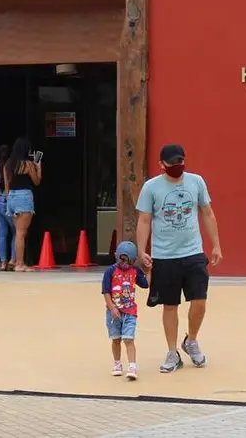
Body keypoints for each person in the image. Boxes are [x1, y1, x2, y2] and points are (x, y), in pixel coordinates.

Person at [136, 143, 223, 373]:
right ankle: (172, 352)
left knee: (200, 301)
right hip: (164, 255)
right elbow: (144, 220)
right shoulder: (151, 187)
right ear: (161, 165)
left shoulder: (196, 182)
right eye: (173, 163)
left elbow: (207, 213)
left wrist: (216, 245)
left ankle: (191, 340)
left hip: (193, 252)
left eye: (180, 161)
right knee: (170, 305)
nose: (178, 166)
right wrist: (142, 251)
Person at [101, 241, 150, 380]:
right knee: (115, 339)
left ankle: (132, 366)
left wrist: (148, 271)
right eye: (121, 260)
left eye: (127, 261)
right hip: (113, 313)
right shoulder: (110, 271)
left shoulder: (135, 271)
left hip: (130, 312)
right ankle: (117, 364)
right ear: (116, 256)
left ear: (134, 260)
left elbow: (145, 284)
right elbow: (106, 291)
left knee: (129, 339)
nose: (123, 264)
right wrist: (111, 308)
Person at [3, 137, 41, 272]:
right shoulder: (27, 164)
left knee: (17, 232)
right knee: (21, 233)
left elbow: (6, 185)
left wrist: (9, 199)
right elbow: (36, 181)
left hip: (11, 197)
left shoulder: (8, 164)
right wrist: (38, 167)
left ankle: (14, 260)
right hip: (24, 197)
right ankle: (20, 263)